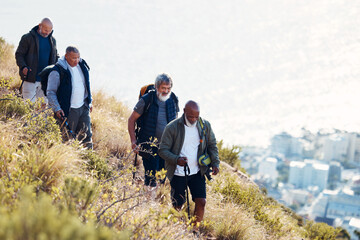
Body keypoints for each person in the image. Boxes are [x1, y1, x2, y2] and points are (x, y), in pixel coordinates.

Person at [158, 100, 220, 226]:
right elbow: (162, 150)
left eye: (196, 117)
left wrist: (215, 163)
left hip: (198, 171)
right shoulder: (172, 127)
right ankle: (175, 230)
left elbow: (212, 145)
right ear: (184, 111)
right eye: (191, 116)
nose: (193, 119)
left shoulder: (204, 125)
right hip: (178, 173)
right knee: (178, 205)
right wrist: (176, 159)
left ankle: (195, 230)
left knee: (201, 201)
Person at [128, 73, 179, 187]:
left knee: (162, 176)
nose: (166, 91)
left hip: (166, 147)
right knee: (151, 178)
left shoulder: (173, 99)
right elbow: (131, 120)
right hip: (149, 145)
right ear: (156, 87)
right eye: (163, 88)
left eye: (168, 88)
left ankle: (155, 201)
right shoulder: (147, 100)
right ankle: (149, 202)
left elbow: (176, 122)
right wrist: (133, 141)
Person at [47, 46, 93, 149]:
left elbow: (86, 86)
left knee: (87, 137)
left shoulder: (82, 65)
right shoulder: (58, 70)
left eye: (78, 57)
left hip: (83, 108)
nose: (77, 60)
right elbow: (51, 92)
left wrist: (90, 102)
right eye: (73, 58)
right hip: (68, 110)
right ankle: (67, 161)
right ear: (66, 56)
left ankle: (89, 161)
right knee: (67, 138)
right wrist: (57, 108)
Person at [15, 18, 59, 102]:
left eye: (50, 31)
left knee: (43, 108)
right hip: (30, 78)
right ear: (40, 26)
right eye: (46, 30)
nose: (47, 33)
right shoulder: (27, 38)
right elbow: (19, 54)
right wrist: (23, 67)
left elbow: (55, 56)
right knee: (29, 106)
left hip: (45, 80)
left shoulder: (52, 40)